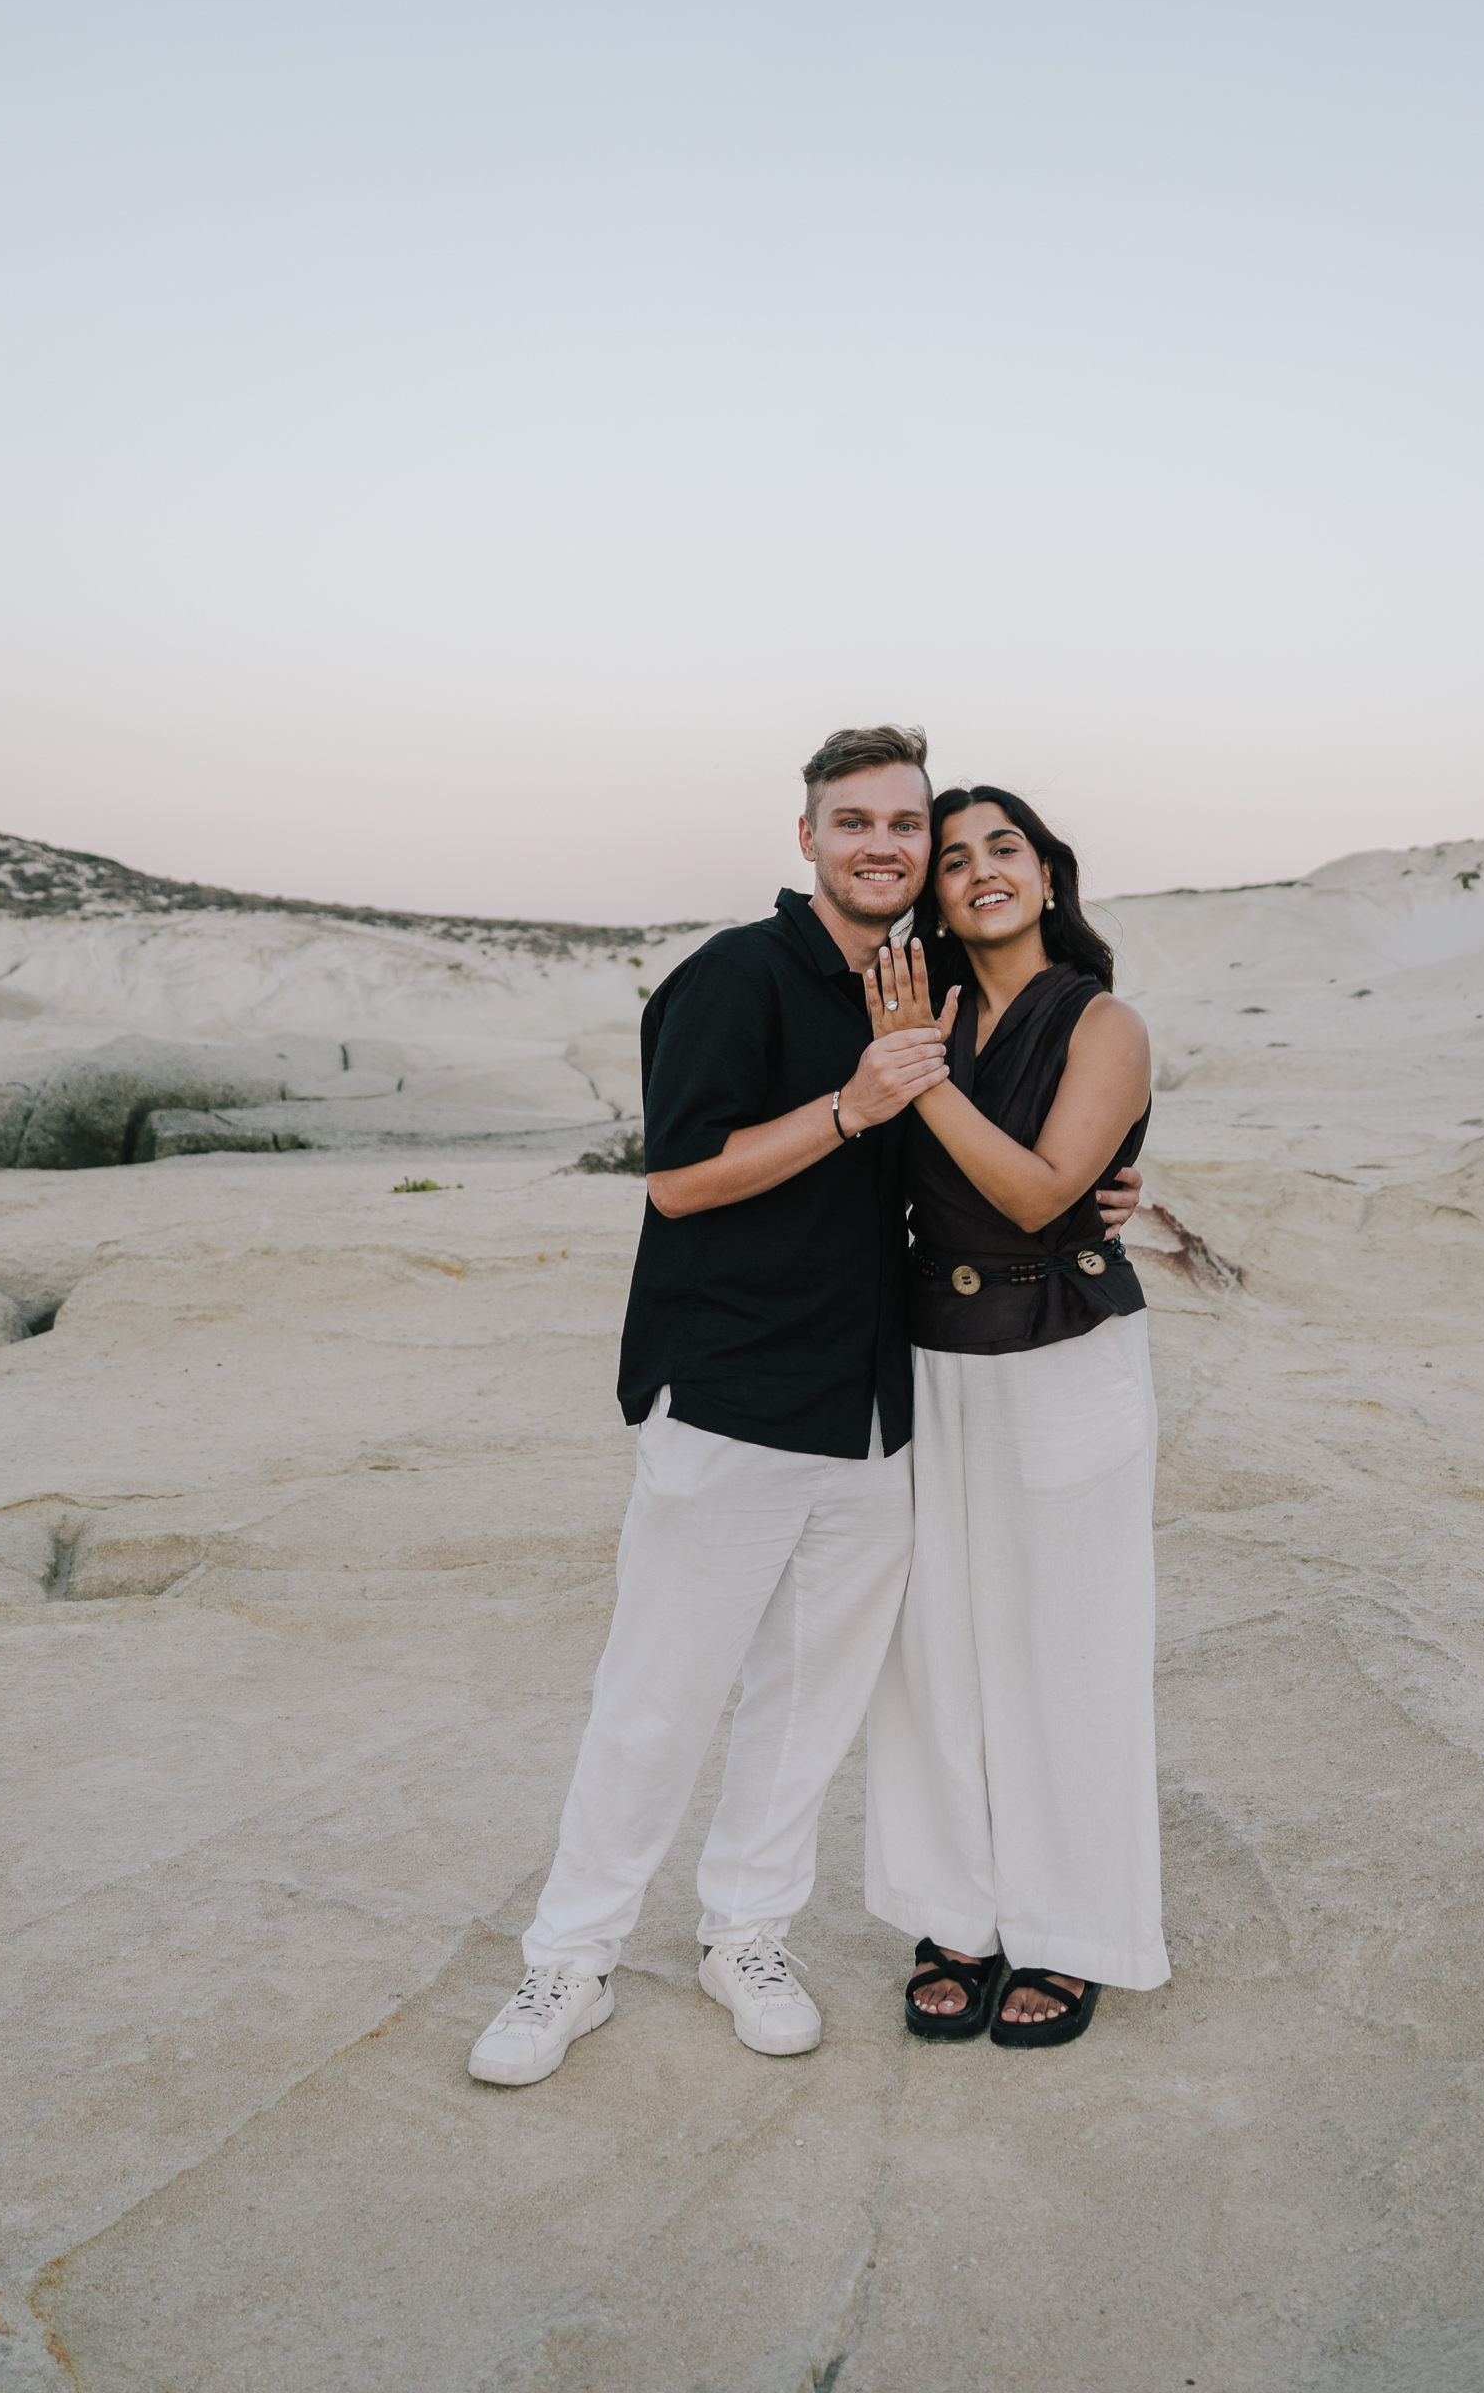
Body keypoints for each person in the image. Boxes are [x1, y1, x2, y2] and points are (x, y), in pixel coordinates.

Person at [470, 729, 1139, 2087]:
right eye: (862, 823)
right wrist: (854, 1104)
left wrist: (1122, 1199)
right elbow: (679, 1182)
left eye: (912, 825)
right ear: (810, 837)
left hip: (883, 1411)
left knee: (809, 1701)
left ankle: (745, 1935)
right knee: (658, 1693)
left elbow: (1019, 1155)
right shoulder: (736, 975)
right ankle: (570, 1960)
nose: (890, 846)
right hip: (730, 1394)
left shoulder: (920, 987)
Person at [856, 785, 1167, 2049]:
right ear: (928, 894)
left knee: (1067, 1646)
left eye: (1007, 849)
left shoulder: (1102, 1021)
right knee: (930, 1649)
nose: (982, 870)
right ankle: (955, 1915)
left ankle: (1073, 1929)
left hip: (1062, 1347)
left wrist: (918, 1084)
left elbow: (1043, 1197)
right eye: (955, 858)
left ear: (1048, 875)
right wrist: (906, 1065)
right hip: (932, 1352)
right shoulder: (904, 1016)